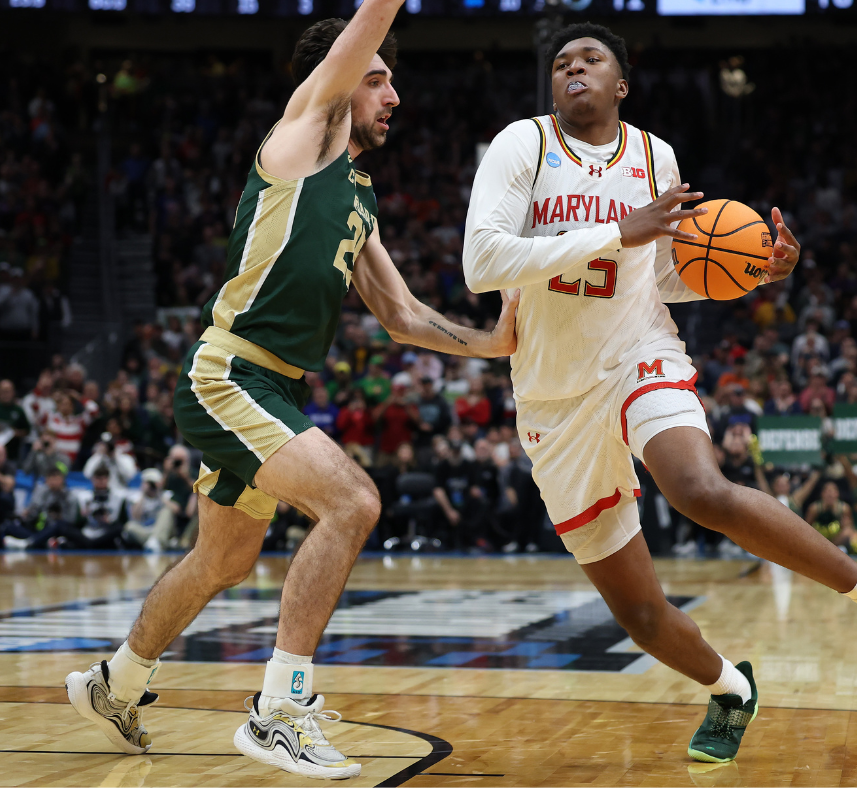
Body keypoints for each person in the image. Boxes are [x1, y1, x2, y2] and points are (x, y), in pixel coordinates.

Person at [464, 25, 857, 764]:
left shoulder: (653, 155)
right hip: (551, 398)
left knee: (700, 488)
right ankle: (733, 688)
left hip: (638, 352)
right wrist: (616, 231)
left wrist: (754, 271)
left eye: (590, 60)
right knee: (638, 614)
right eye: (562, 64)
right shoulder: (523, 145)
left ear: (621, 84)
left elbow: (666, 275)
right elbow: (483, 260)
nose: (572, 70)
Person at [64, 4, 519, 779]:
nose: (393, 96)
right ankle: (280, 711)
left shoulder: (358, 196)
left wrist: (493, 342)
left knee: (223, 559)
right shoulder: (302, 137)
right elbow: (359, 36)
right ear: (339, 79)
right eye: (377, 78)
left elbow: (402, 315)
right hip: (228, 374)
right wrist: (371, 30)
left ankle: (118, 683)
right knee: (354, 502)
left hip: (271, 387)